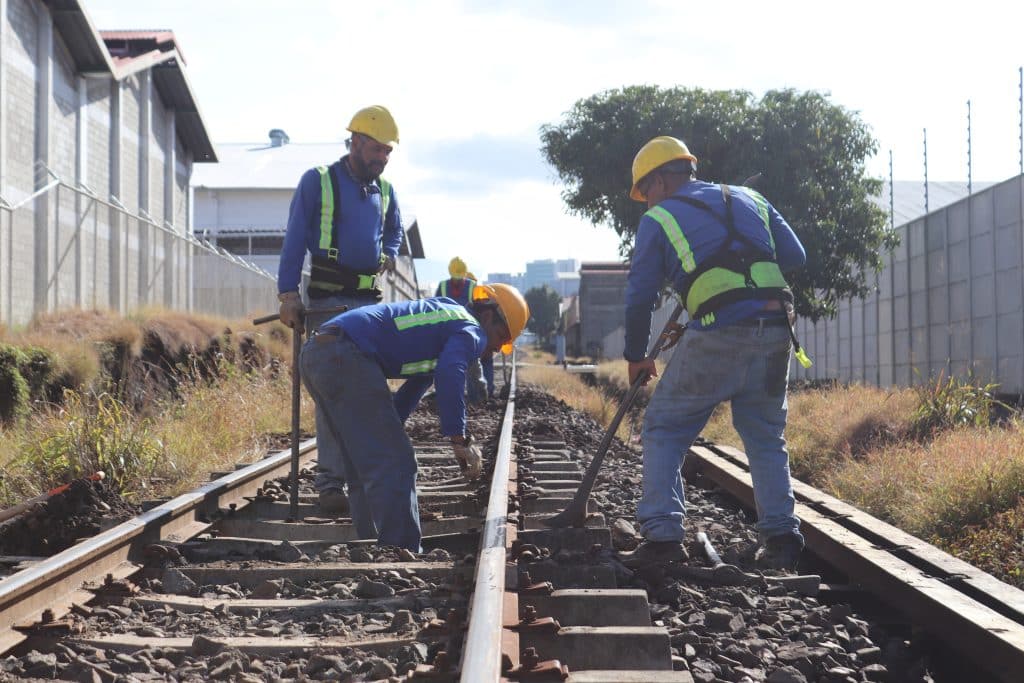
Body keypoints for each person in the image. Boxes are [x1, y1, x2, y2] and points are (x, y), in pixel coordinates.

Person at [621, 135, 808, 571]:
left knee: (664, 428)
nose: (646, 202)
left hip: (719, 332)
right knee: (764, 434)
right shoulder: (751, 198)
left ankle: (664, 536)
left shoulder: (659, 219)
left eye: (645, 191)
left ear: (662, 181)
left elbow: (639, 296)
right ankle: (781, 538)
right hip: (777, 327)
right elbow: (795, 256)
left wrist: (636, 356)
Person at [298, 284, 529, 552]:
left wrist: (392, 428)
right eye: (502, 336)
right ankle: (401, 551)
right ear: (488, 316)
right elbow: (451, 373)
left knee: (362, 460)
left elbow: (412, 391)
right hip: (345, 355)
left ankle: (370, 543)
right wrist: (459, 438)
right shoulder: (470, 329)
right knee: (398, 462)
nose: (499, 347)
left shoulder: (447, 322)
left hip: (319, 352)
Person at [276, 105, 404, 516]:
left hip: (369, 308)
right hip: (328, 304)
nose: (382, 159)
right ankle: (330, 485)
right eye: (377, 150)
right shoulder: (318, 182)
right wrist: (288, 295)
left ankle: (366, 483)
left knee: (369, 395)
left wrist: (389, 252)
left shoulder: (384, 191)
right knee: (333, 395)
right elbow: (295, 235)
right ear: (355, 142)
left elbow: (395, 229)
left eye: (387, 153)